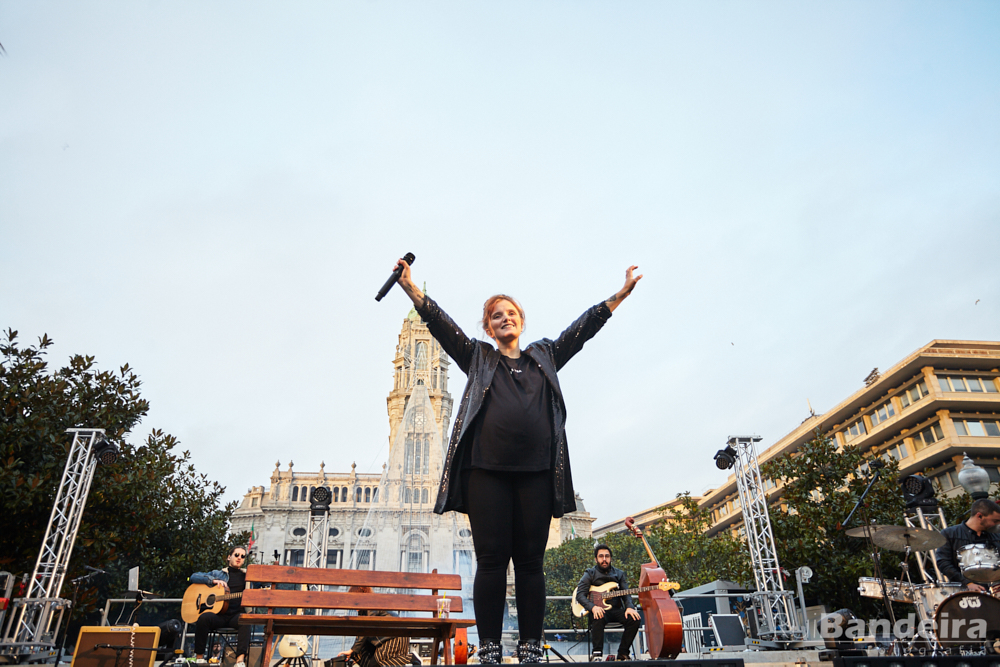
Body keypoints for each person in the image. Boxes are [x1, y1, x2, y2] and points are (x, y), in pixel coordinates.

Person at [395, 259, 642, 664]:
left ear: (521, 321)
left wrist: (619, 296)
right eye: (496, 316)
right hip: (486, 473)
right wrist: (409, 287)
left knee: (530, 564)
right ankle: (489, 646)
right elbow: (443, 325)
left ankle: (530, 646)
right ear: (488, 328)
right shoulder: (478, 357)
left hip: (537, 475)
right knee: (491, 561)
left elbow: (579, 333)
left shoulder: (543, 355)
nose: (504, 319)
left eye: (510, 313)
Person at [575, 543, 642, 661]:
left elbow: (626, 593)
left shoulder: (619, 574)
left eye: (607, 556)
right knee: (598, 616)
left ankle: (623, 653)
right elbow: (580, 594)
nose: (604, 559)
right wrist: (593, 607)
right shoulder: (590, 573)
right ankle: (597, 653)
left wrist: (629, 607)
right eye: (601, 556)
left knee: (635, 618)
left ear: (611, 558)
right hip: (598, 610)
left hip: (616, 610)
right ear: (596, 559)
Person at [187, 546, 250, 667]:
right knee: (204, 618)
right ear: (229, 557)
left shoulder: (248, 576)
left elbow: (263, 584)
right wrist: (213, 581)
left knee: (246, 620)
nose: (239, 558)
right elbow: (194, 576)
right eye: (236, 555)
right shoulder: (218, 573)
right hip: (218, 616)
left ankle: (239, 661)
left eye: (243, 556)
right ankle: (199, 658)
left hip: (235, 616)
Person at [335, 587, 418, 667]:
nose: (353, 604)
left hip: (395, 638)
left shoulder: (371, 604)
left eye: (355, 601)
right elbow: (361, 633)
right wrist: (353, 653)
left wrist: (352, 650)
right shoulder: (363, 611)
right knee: (365, 659)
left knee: (376, 663)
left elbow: (366, 629)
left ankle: (411, 659)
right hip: (386, 638)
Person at [936, 498, 1000, 592]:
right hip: (966, 592)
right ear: (979, 516)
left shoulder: (996, 535)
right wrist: (967, 583)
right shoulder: (950, 534)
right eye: (995, 521)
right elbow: (943, 563)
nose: (997, 524)